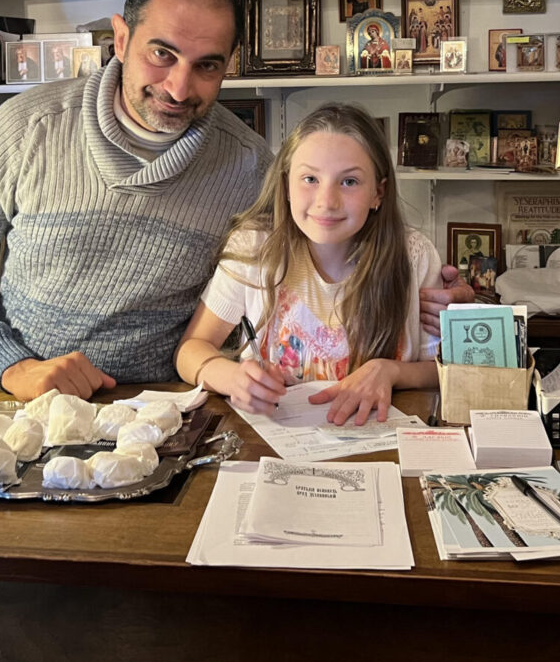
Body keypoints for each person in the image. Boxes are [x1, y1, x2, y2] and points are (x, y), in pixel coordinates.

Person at [0, 0, 472, 400]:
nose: (180, 87)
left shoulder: (252, 166)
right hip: (29, 400)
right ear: (121, 38)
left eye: (208, 65)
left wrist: (449, 301)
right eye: (162, 53)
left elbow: (328, 254)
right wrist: (16, 368)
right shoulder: (24, 128)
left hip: (171, 411)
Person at [174, 104, 441, 425]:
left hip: (380, 444)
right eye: (310, 178)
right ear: (286, 186)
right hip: (272, 442)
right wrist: (232, 377)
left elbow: (443, 369)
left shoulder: (414, 255)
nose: (326, 201)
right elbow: (191, 350)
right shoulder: (254, 247)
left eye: (350, 182)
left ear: (378, 193)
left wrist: (391, 370)